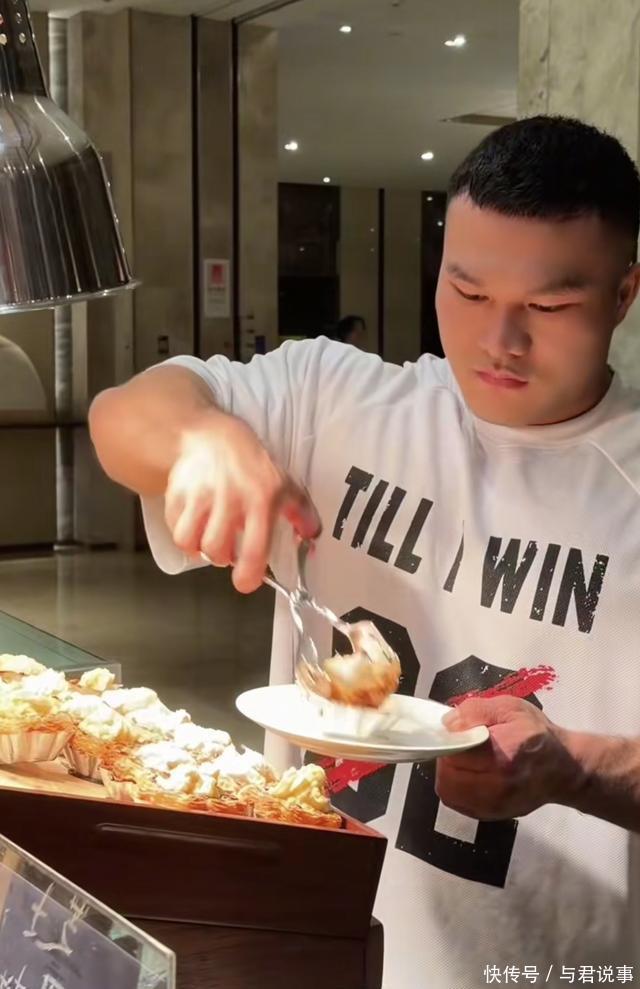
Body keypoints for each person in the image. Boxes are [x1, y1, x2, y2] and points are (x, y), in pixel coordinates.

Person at [89, 116, 640, 989]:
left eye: (549, 307)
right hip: (303, 945)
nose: (499, 340)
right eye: (466, 291)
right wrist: (199, 438)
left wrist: (577, 766)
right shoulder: (337, 398)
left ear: (623, 293)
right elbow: (122, 416)